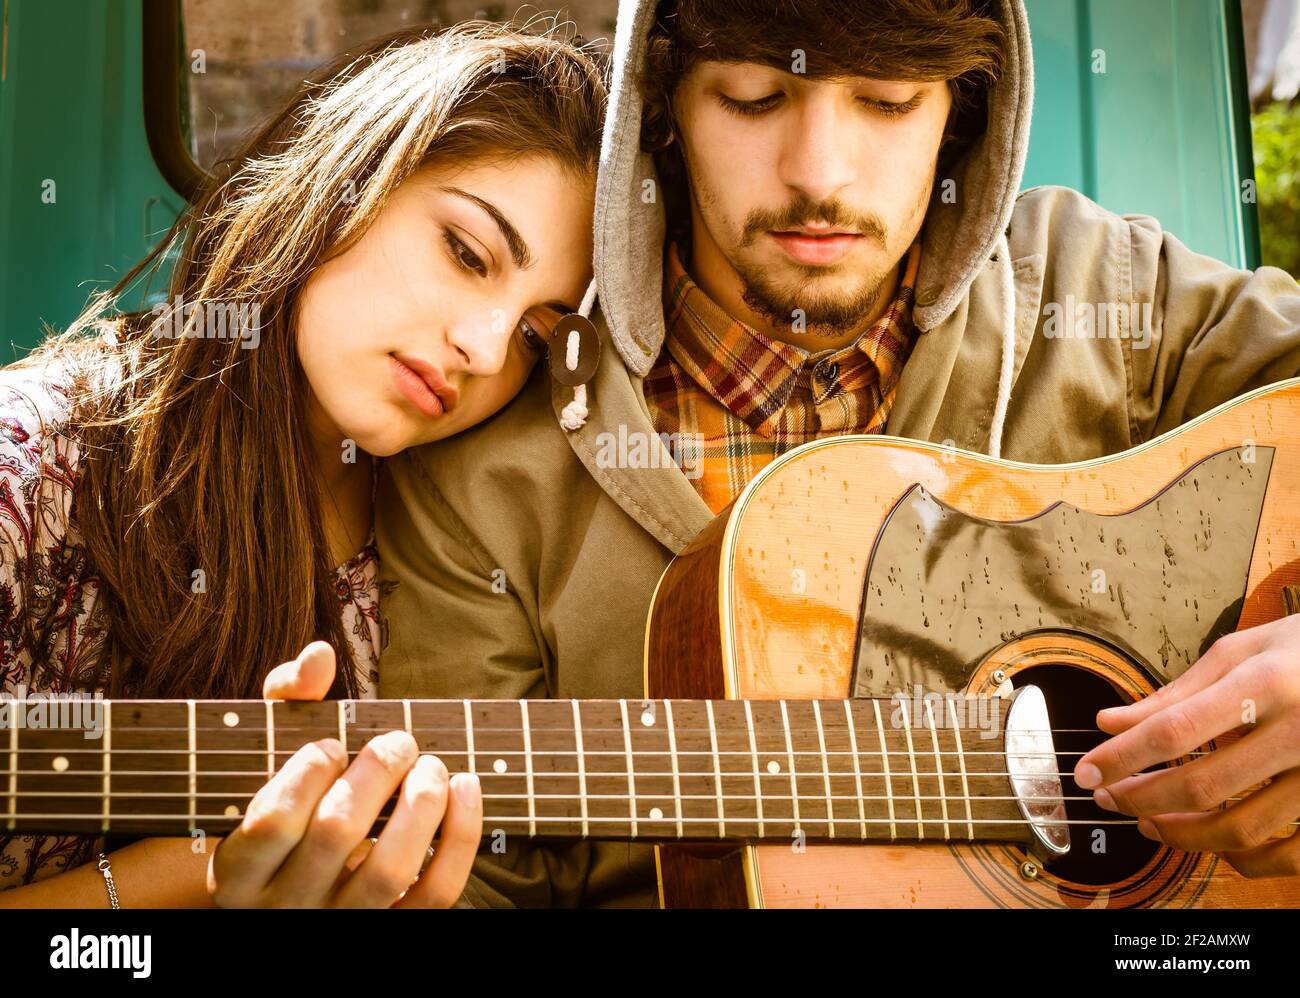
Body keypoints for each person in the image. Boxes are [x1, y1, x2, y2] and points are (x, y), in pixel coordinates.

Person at [376, 0, 1300, 908]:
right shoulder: (483, 469)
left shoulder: (1106, 294)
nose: (819, 173)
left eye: (890, 102)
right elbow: (478, 879)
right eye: (751, 97)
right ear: (665, 100)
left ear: (965, 113)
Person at [0, 18, 606, 907]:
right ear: (344, 179)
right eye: (467, 253)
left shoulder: (457, 538)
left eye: (534, 334)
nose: (483, 348)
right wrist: (191, 876)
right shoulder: (30, 471)